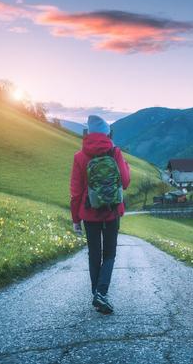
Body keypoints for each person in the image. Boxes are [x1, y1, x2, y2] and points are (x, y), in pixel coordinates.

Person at [70, 115, 130, 314]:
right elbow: (126, 182)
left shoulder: (79, 156)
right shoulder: (115, 152)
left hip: (89, 212)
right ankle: (101, 294)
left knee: (94, 254)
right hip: (112, 212)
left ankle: (97, 292)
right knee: (110, 253)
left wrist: (75, 219)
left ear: (88, 133)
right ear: (107, 133)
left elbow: (76, 192)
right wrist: (125, 166)